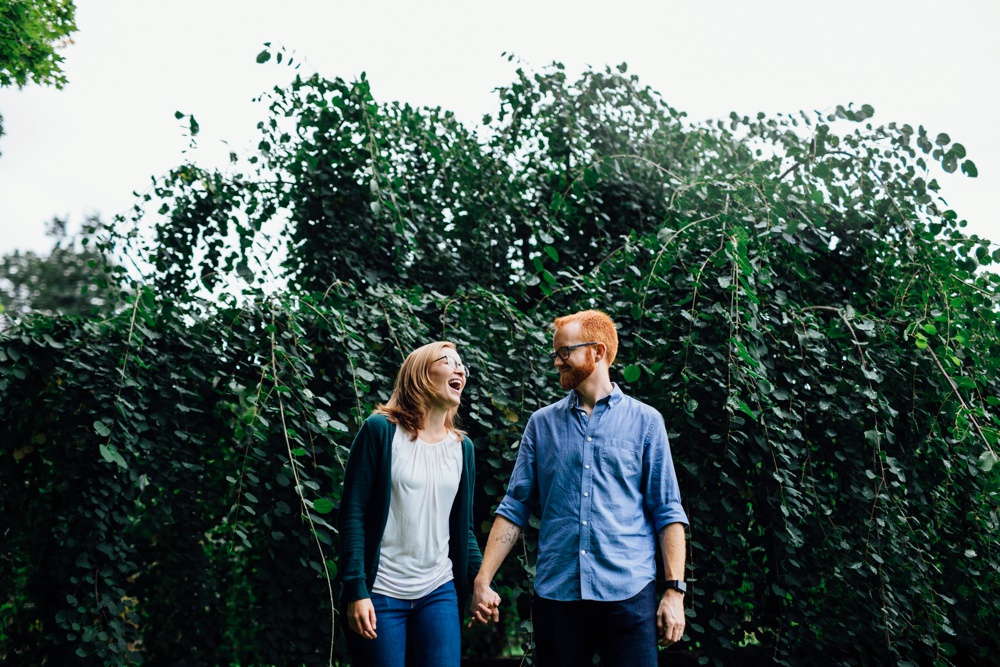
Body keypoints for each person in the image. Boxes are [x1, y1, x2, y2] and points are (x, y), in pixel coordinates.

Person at [469, 309, 689, 666]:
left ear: (597, 351)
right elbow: (515, 507)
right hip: (558, 595)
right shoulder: (541, 424)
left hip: (629, 594)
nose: (557, 362)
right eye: (555, 353)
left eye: (564, 352)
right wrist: (483, 579)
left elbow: (667, 512)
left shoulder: (646, 423)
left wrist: (674, 591)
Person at [338, 341, 486, 667]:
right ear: (420, 374)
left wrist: (481, 581)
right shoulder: (380, 431)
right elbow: (353, 515)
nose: (460, 370)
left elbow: (464, 529)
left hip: (439, 590)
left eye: (462, 365)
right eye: (448, 361)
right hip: (381, 591)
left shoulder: (462, 448)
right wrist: (357, 589)